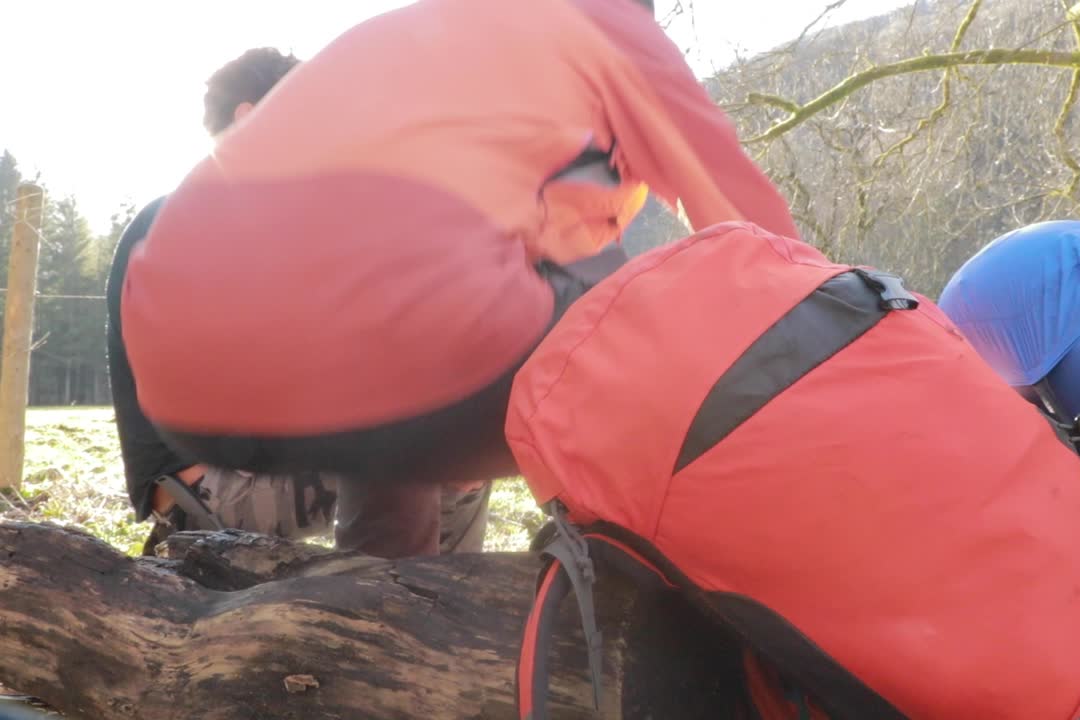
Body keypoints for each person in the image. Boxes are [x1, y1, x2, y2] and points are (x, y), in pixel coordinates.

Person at [119, 0, 801, 559]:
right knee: (636, 318)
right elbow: (757, 232)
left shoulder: (423, 48)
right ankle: (637, 587)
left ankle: (395, 613)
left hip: (192, 405)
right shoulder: (607, 29)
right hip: (216, 471)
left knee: (413, 395)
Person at [106, 47, 492, 556]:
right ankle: (385, 615)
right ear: (251, 116)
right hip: (204, 488)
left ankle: (440, 610)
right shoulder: (187, 222)